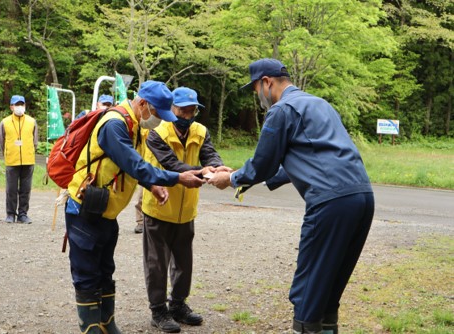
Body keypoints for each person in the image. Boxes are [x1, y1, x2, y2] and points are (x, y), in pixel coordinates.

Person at [208, 58, 375, 334]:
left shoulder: (281, 110)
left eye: (255, 89)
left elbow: (263, 163)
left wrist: (231, 178)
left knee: (308, 289)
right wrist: (242, 176)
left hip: (329, 202)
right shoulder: (320, 104)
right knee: (330, 285)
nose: (257, 97)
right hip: (362, 197)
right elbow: (303, 157)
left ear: (267, 83)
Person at [64, 80, 205, 334]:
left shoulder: (134, 124)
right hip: (85, 209)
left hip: (106, 210)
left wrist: (151, 186)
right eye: (156, 113)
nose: (156, 120)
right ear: (142, 104)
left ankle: (107, 323)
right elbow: (136, 165)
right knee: (87, 272)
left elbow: (134, 166)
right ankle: (91, 328)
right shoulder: (114, 125)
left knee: (106, 269)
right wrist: (176, 177)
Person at [142, 87, 231, 333]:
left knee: (184, 261)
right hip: (159, 208)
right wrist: (202, 171)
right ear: (171, 108)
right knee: (156, 264)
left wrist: (216, 168)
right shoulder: (156, 133)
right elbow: (171, 164)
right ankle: (158, 310)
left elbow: (209, 154)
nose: (187, 114)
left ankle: (178, 305)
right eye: (182, 109)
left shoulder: (200, 131)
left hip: (186, 209)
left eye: (192, 110)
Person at [0, 95, 38, 224]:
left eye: (22, 104)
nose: (19, 107)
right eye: (17, 105)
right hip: (12, 159)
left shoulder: (32, 121)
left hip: (28, 159)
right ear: (11, 107)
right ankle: (10, 214)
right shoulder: (5, 122)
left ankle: (23, 214)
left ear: (25, 106)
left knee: (26, 189)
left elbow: (35, 141)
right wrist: (8, 153)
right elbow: (1, 141)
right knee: (11, 189)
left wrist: (30, 151)